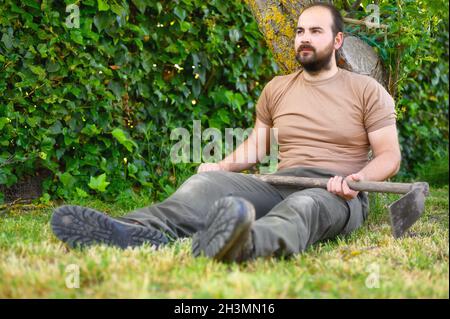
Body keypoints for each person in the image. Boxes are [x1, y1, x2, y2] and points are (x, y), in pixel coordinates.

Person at [51, 2, 401, 263]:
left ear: (337, 40)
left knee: (304, 207)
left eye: (315, 31)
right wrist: (223, 167)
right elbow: (258, 144)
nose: (304, 39)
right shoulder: (277, 88)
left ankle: (242, 244)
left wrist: (355, 179)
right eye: (299, 31)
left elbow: (389, 156)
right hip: (280, 182)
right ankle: (128, 230)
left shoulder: (365, 90)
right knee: (203, 185)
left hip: (337, 191)